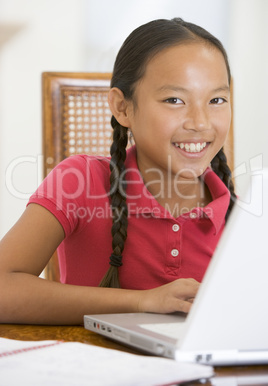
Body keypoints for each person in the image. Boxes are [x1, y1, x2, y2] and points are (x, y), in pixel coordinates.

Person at [0, 18, 236, 325]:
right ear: (122, 108)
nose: (200, 122)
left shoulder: (239, 219)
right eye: (174, 100)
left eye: (216, 100)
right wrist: (142, 302)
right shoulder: (79, 181)